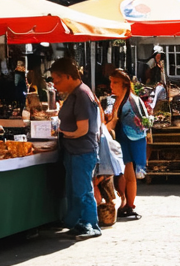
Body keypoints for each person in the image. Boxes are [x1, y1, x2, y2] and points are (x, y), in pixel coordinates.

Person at [50, 57, 101, 240]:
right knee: (74, 189)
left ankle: (91, 224)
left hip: (82, 151)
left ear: (68, 76)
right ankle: (80, 223)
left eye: (57, 80)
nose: (55, 85)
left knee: (82, 190)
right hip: (74, 151)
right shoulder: (75, 93)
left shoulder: (81, 94)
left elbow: (82, 129)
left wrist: (61, 133)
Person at [106, 69, 149, 219]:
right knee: (121, 175)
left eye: (115, 82)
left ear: (124, 84)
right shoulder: (114, 99)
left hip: (129, 140)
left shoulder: (132, 101)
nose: (111, 85)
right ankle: (124, 203)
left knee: (129, 175)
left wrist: (110, 124)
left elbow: (139, 125)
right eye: (111, 82)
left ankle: (130, 205)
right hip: (119, 140)